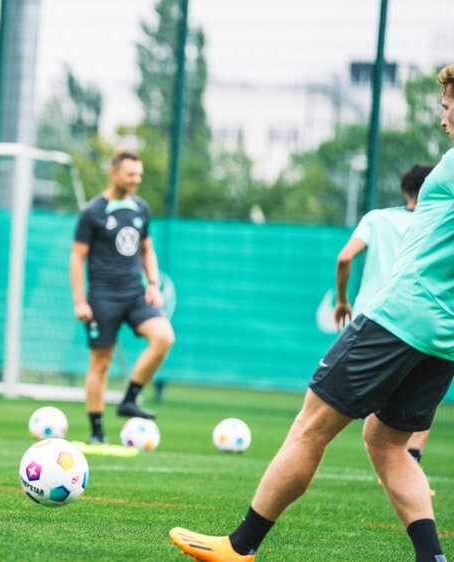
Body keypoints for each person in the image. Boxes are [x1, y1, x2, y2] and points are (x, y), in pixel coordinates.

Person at [170, 64, 454, 562]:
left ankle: (241, 546)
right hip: (444, 336)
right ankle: (433, 558)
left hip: (398, 316)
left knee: (310, 427)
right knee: (386, 442)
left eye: (448, 105)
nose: (444, 116)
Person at [335, 163, 435, 485]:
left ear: (405, 189)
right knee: (421, 393)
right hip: (420, 320)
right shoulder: (437, 226)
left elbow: (344, 257)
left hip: (373, 316)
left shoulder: (377, 218)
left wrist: (342, 300)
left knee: (325, 407)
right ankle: (411, 460)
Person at [69, 151, 175, 444]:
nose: (135, 180)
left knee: (164, 337)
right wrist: (80, 300)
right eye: (131, 175)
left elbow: (146, 249)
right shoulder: (93, 212)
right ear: (114, 173)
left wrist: (152, 283)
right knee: (101, 363)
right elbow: (77, 258)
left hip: (135, 293)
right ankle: (97, 432)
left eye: (139, 175)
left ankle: (130, 399)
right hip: (103, 296)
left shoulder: (141, 208)